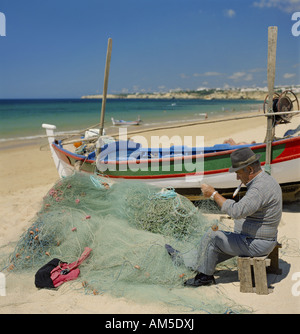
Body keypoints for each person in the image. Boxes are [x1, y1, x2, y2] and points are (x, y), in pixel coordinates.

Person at [167, 147, 282, 287]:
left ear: (250, 170)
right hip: (264, 238)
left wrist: (214, 194)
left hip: (258, 243)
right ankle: (188, 260)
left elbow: (236, 211)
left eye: (239, 173)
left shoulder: (258, 189)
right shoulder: (267, 180)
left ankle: (204, 277)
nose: (237, 177)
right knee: (218, 240)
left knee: (212, 236)